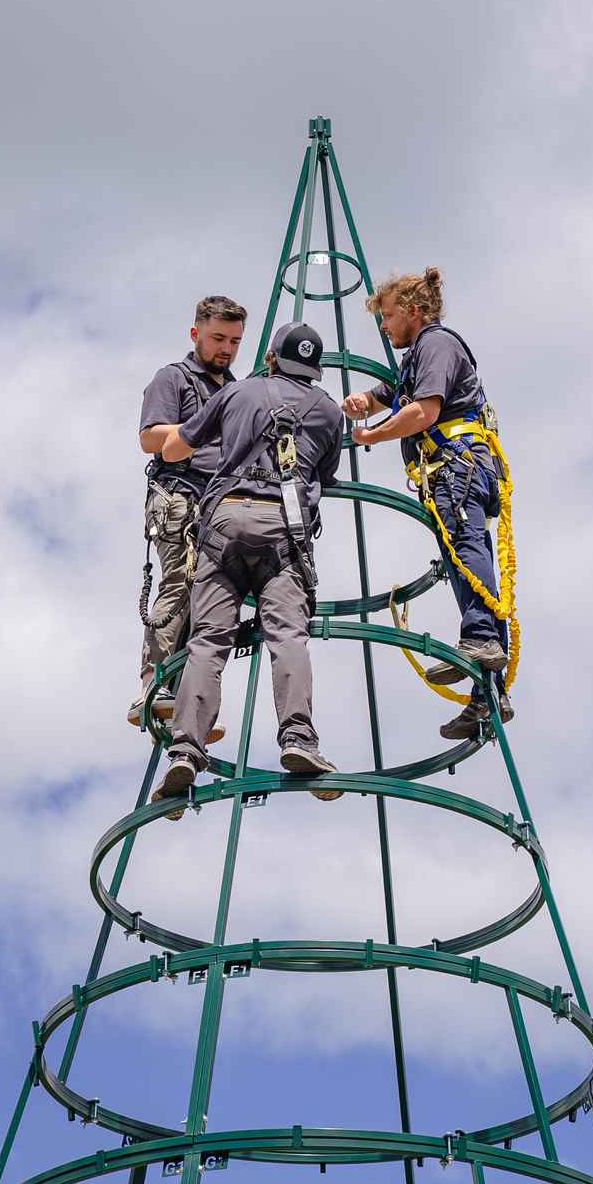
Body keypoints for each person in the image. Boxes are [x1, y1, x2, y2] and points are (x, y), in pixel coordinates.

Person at [152, 321, 344, 818]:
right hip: (284, 531)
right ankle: (297, 736)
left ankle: (185, 750)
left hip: (223, 523)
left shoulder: (238, 390)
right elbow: (324, 477)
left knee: (207, 641)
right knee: (287, 635)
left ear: (271, 357)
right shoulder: (327, 410)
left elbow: (174, 447)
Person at [342, 267, 514, 736]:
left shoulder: (437, 344)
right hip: (454, 468)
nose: (384, 326)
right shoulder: (419, 356)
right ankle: (488, 691)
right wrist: (365, 400)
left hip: (458, 467)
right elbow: (396, 392)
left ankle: (480, 640)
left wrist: (370, 433)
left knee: (467, 552)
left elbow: (423, 411)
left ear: (414, 313)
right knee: (463, 564)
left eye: (390, 316)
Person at [130, 295, 247, 739]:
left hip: (221, 502)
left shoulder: (234, 389)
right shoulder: (174, 379)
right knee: (180, 583)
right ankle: (153, 685)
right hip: (179, 496)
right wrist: (204, 429)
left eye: (234, 341)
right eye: (218, 338)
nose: (226, 349)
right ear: (196, 334)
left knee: (212, 605)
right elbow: (150, 439)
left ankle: (189, 703)